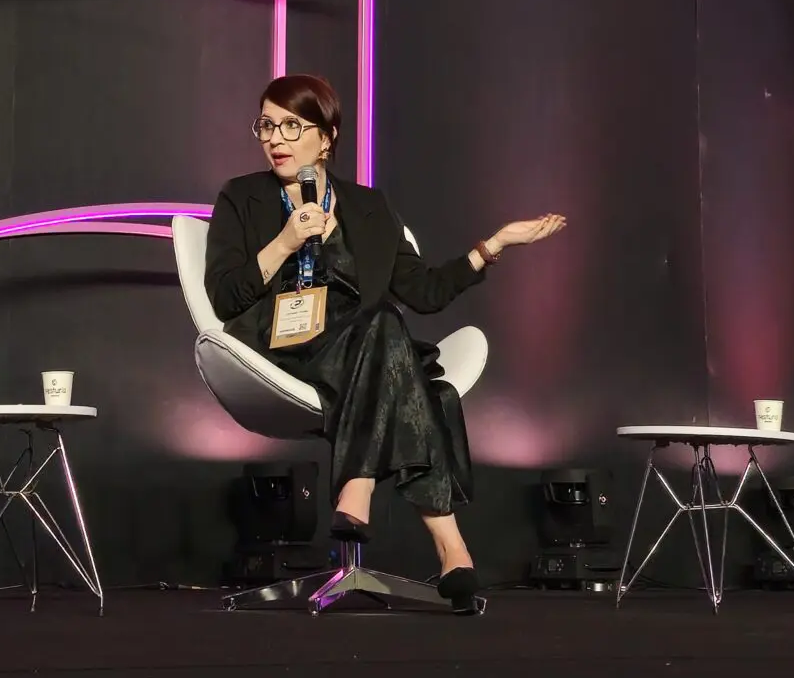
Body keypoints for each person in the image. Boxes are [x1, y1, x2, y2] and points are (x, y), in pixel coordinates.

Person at [204, 74, 566, 613]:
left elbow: (423, 291)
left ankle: (369, 494)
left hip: (359, 349)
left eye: (291, 126)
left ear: (326, 138)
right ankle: (441, 539)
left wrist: (493, 246)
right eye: (266, 124)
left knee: (390, 337)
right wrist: (284, 242)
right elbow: (225, 296)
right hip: (277, 347)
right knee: (398, 352)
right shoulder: (243, 197)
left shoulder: (369, 208)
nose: (275, 138)